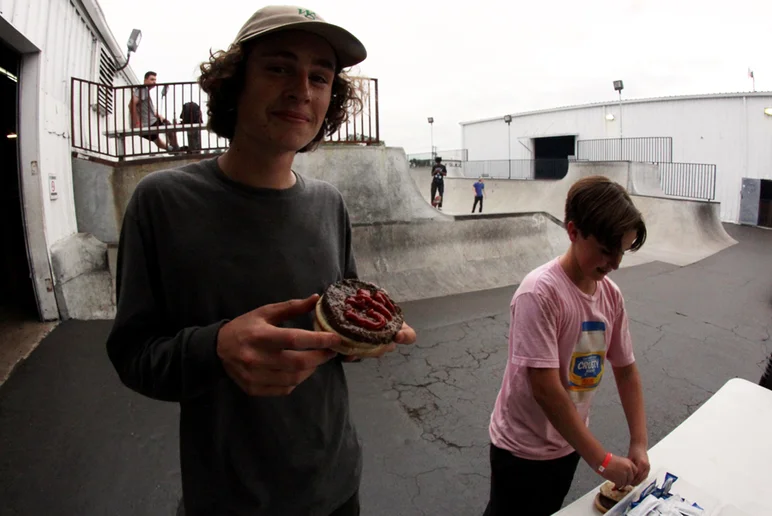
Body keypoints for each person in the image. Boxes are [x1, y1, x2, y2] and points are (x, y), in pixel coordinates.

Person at [106, 6, 416, 516]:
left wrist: (362, 342)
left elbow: (336, 324)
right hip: (228, 497)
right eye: (278, 67)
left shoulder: (329, 204)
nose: (302, 89)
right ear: (236, 83)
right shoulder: (161, 202)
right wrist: (217, 347)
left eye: (320, 76)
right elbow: (133, 356)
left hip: (335, 484)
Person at [483, 175, 650, 516]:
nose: (615, 263)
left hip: (568, 442)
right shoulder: (540, 293)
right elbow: (546, 388)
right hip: (520, 448)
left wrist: (639, 441)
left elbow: (626, 370)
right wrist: (602, 461)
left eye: (621, 251)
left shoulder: (610, 296)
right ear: (573, 232)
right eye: (606, 251)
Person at [130, 71, 180, 151]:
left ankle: (171, 150)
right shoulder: (142, 89)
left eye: (155, 80)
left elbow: (152, 110)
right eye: (152, 79)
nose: (154, 82)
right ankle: (176, 150)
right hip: (149, 123)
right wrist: (137, 123)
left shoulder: (145, 91)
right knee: (171, 130)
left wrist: (162, 117)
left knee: (157, 141)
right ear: (145, 80)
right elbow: (132, 104)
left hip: (147, 124)